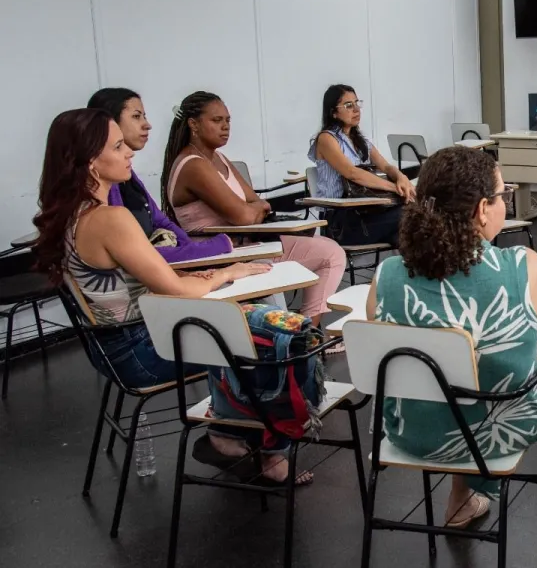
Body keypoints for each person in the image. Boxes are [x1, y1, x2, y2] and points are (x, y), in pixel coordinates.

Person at [31, 109, 313, 484]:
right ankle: (258, 447)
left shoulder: (72, 215)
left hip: (112, 351)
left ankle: (230, 431)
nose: (130, 152)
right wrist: (227, 272)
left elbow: (143, 278)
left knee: (248, 324)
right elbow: (176, 290)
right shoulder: (110, 219)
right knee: (276, 337)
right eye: (118, 146)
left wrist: (192, 278)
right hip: (143, 351)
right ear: (91, 162)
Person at [367, 146, 537, 528]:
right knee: (533, 367)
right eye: (502, 196)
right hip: (495, 436)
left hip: (409, 433)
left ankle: (462, 494)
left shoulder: (387, 275)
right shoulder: (523, 266)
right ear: (481, 210)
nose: (505, 204)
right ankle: (465, 493)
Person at [162, 91, 346, 325]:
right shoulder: (193, 165)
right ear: (193, 124)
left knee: (330, 250)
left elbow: (256, 203)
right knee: (329, 255)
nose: (225, 126)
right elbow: (244, 215)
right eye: (217, 120)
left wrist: (253, 209)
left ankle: (306, 329)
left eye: (228, 120)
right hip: (220, 256)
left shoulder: (218, 158)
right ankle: (302, 331)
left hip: (247, 245)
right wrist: (252, 209)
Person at [86, 88, 234, 264]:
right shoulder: (104, 192)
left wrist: (194, 251)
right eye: (136, 116)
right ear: (108, 123)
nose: (147, 125)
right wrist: (218, 245)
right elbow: (140, 257)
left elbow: (160, 221)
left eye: (144, 116)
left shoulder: (128, 177)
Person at [308, 84, 414, 246]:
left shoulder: (361, 141)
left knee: (413, 232)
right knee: (410, 214)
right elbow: (352, 173)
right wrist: (395, 188)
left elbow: (386, 167)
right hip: (340, 221)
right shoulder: (326, 139)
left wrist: (401, 178)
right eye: (348, 105)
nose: (356, 109)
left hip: (367, 212)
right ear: (333, 112)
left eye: (357, 103)